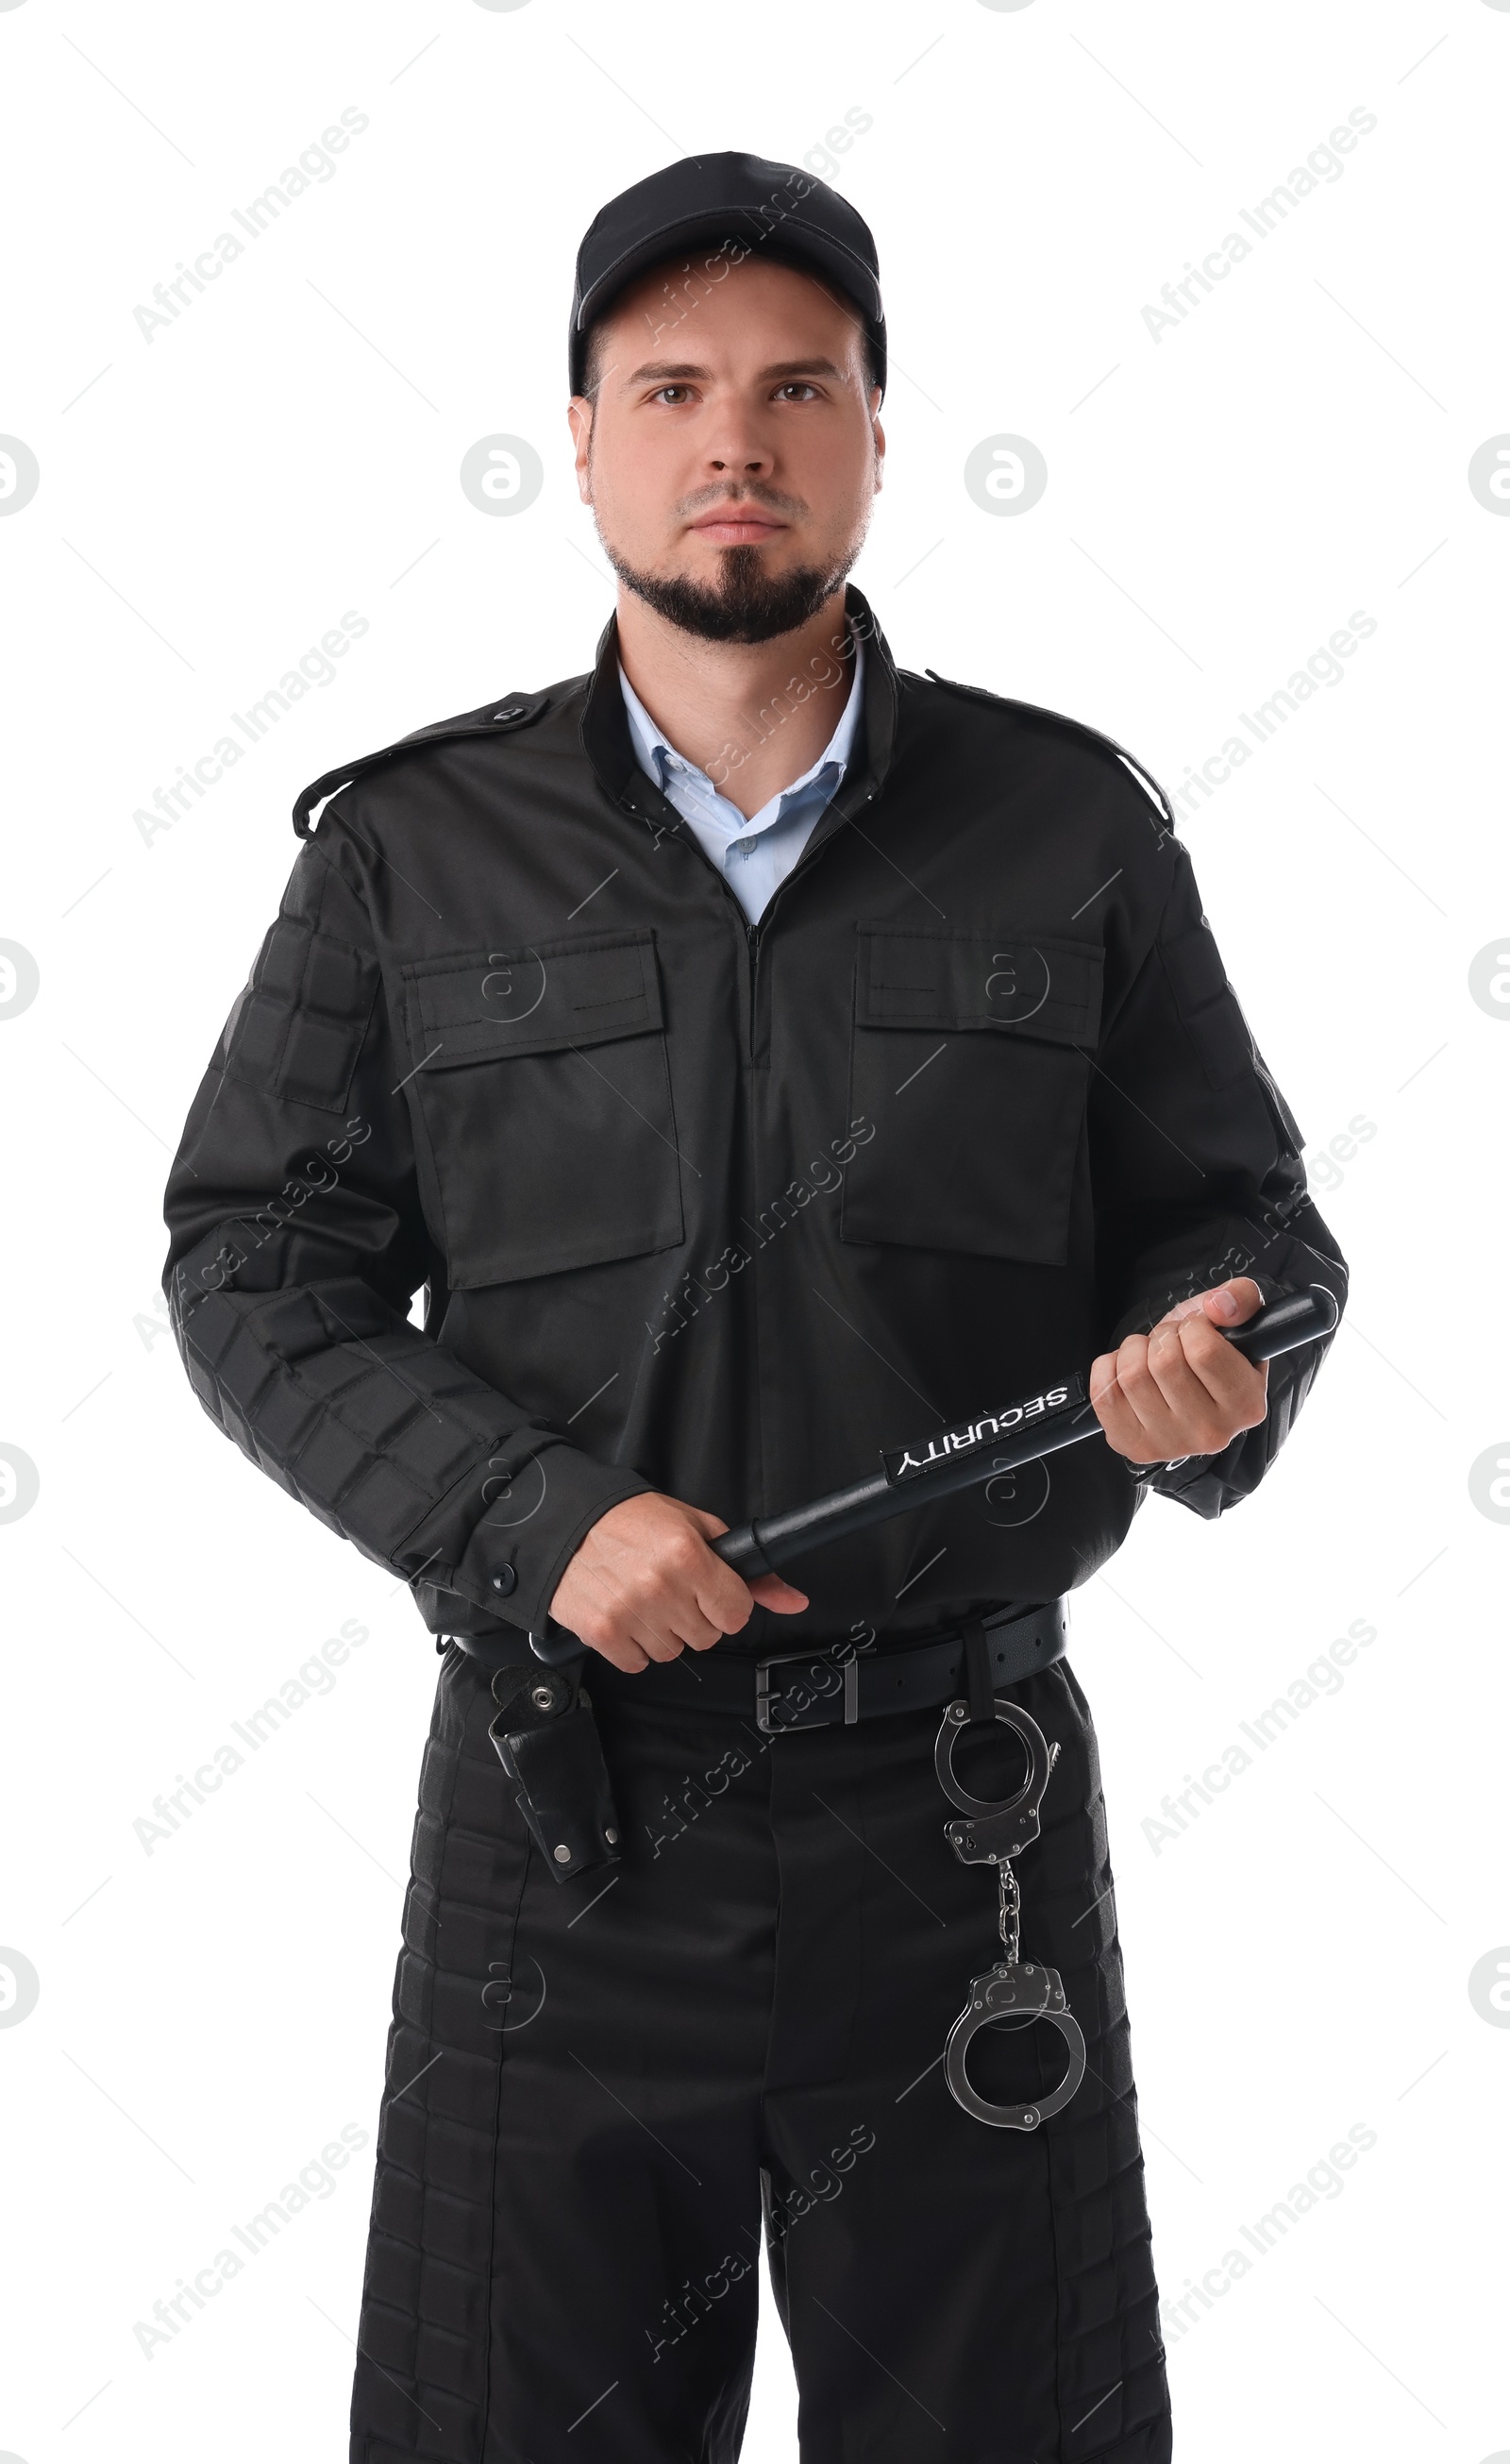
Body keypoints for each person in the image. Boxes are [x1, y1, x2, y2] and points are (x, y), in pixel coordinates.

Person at [162, 151, 1346, 2464]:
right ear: (583, 436)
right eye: (673, 385)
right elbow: (252, 1263)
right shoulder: (413, 853)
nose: (737, 437)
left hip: (962, 1823)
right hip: (557, 1827)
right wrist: (530, 1518)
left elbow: (1249, 1239)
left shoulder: (1064, 829)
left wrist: (1210, 1377)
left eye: (798, 386)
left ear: (874, 441)